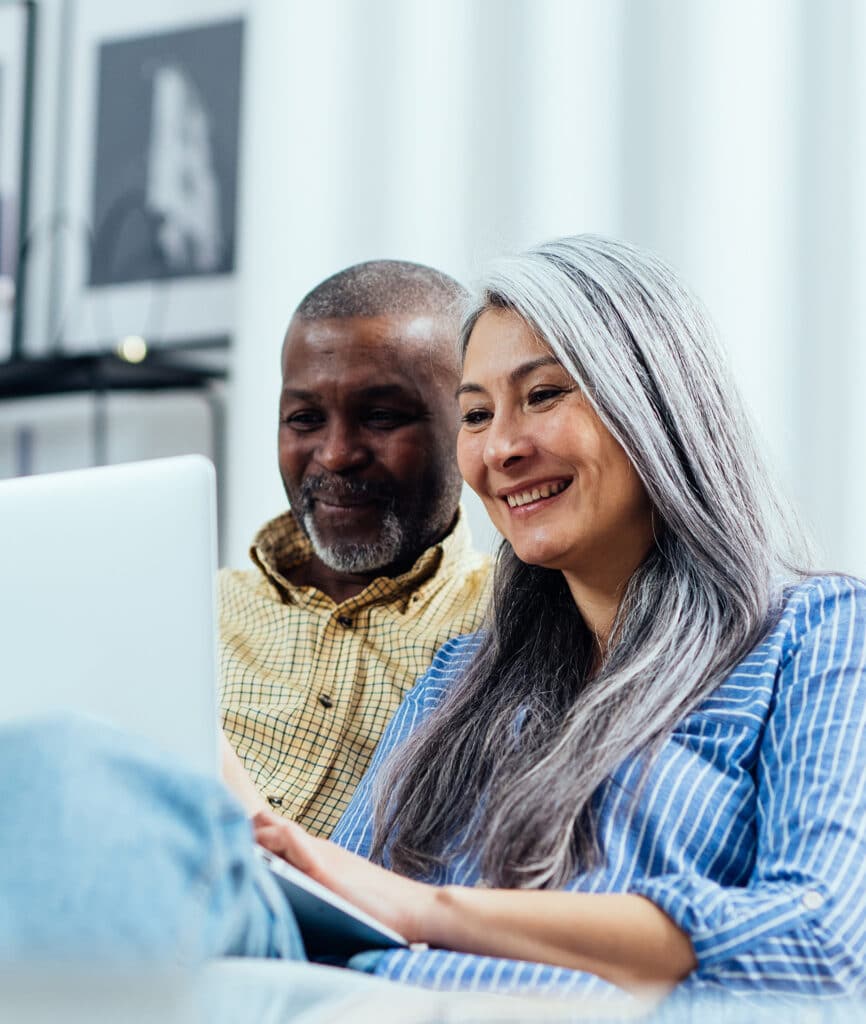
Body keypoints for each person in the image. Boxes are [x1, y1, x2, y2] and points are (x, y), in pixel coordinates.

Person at [4, 236, 866, 1005]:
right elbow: (342, 906)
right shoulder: (461, 676)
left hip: (501, 1006)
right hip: (336, 995)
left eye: (543, 395)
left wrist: (432, 910)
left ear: (656, 406)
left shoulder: (812, 633)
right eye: (479, 414)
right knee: (57, 766)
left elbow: (820, 943)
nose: (502, 449)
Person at [219, 259, 490, 835]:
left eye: (382, 417)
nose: (337, 453)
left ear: (472, 421)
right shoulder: (191, 612)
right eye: (305, 419)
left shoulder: (518, 622)